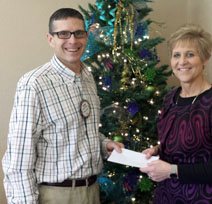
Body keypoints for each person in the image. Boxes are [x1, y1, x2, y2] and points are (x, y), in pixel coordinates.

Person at [2, 8, 124, 204]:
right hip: (56, 195)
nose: (73, 41)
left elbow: (80, 131)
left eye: (79, 33)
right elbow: (18, 159)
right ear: (51, 39)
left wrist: (104, 144)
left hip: (92, 191)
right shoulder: (34, 84)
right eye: (63, 34)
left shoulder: (87, 77)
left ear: (86, 36)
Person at [140, 23, 212, 204]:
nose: (182, 62)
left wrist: (172, 170)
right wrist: (157, 151)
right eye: (176, 55)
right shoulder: (170, 98)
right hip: (166, 196)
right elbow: (175, 145)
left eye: (190, 54)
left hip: (204, 198)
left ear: (205, 59)